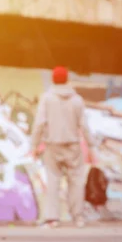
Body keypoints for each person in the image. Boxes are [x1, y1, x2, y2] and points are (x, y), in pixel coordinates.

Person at [30, 66, 95, 228]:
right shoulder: (77, 100)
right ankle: (78, 217)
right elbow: (84, 125)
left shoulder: (47, 98)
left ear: (53, 79)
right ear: (67, 79)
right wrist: (91, 146)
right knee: (76, 182)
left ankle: (52, 218)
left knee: (53, 181)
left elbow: (39, 123)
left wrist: (34, 145)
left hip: (53, 146)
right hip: (73, 146)